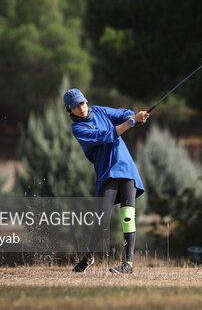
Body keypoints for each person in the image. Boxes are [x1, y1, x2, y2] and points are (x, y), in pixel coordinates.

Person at [64, 88, 149, 274]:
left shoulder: (100, 111)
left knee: (128, 216)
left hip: (126, 169)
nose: (81, 108)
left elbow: (122, 114)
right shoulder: (78, 128)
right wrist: (132, 121)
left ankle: (128, 264)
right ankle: (88, 258)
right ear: (70, 110)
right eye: (76, 106)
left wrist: (134, 117)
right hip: (107, 173)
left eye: (82, 103)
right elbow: (107, 135)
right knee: (101, 220)